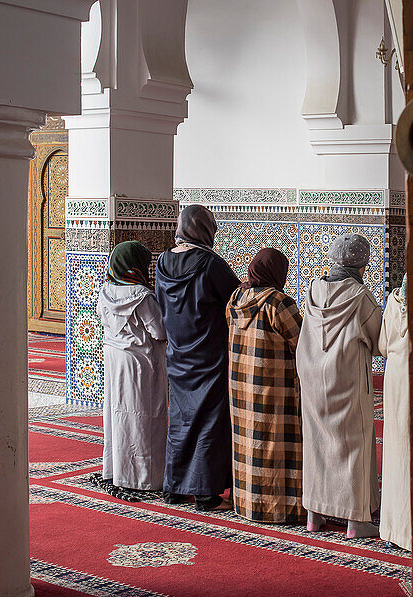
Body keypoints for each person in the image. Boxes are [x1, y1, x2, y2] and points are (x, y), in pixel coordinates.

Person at [297, 233, 384, 538]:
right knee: (352, 447)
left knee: (317, 444)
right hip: (346, 380)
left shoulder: (313, 289)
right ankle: (356, 521)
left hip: (311, 378)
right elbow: (380, 343)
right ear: (362, 264)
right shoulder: (361, 298)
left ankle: (314, 514)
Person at [156, 204, 240, 510]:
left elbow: (162, 301)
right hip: (209, 355)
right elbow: (236, 297)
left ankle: (174, 487)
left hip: (178, 352)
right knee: (209, 421)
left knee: (180, 419)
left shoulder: (164, 260)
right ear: (205, 229)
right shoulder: (210, 263)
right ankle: (205, 492)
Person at [226, 248, 304, 523]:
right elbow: (302, 343)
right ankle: (279, 509)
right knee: (274, 444)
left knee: (248, 444)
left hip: (241, 387)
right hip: (274, 389)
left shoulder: (236, 299)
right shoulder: (278, 303)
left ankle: (247, 504)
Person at [94, 240, 168, 499]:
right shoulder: (141, 296)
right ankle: (144, 478)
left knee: (119, 416)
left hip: (115, 362)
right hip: (140, 365)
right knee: (143, 418)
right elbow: (159, 332)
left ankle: (118, 470)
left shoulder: (106, 291)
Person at [377, 274, 411, 550]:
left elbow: (382, 346)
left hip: (395, 379)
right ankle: (411, 533)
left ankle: (391, 530)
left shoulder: (394, 300)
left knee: (396, 453)